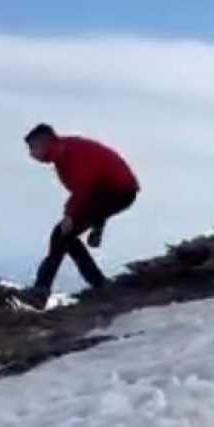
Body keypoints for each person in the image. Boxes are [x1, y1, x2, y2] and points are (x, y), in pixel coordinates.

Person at [19, 123, 139, 308]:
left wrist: (70, 215)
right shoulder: (64, 152)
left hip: (118, 192)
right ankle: (98, 284)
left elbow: (87, 185)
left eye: (33, 148)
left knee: (61, 235)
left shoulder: (67, 154)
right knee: (65, 236)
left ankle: (42, 291)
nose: (31, 155)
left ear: (44, 143)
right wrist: (96, 225)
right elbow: (94, 186)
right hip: (114, 192)